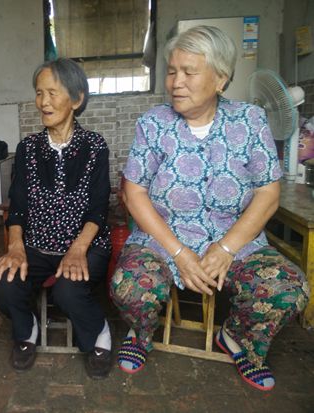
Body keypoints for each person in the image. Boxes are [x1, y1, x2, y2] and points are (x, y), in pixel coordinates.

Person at [110, 25, 309, 391]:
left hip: (237, 242)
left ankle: (238, 339)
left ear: (220, 79)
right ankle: (140, 334)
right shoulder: (153, 124)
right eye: (172, 71)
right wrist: (179, 252)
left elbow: (268, 192)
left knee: (288, 287)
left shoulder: (250, 121)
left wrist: (226, 248)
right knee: (129, 286)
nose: (176, 82)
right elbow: (134, 192)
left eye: (189, 72)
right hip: (163, 240)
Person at [0, 58, 113, 379]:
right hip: (37, 246)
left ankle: (98, 333)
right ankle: (27, 328)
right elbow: (18, 205)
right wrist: (16, 246)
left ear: (77, 99)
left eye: (52, 93)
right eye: (39, 93)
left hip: (87, 244)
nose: (43, 102)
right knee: (2, 285)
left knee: (67, 292)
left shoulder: (94, 146)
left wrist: (78, 249)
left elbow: (99, 207)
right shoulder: (28, 148)